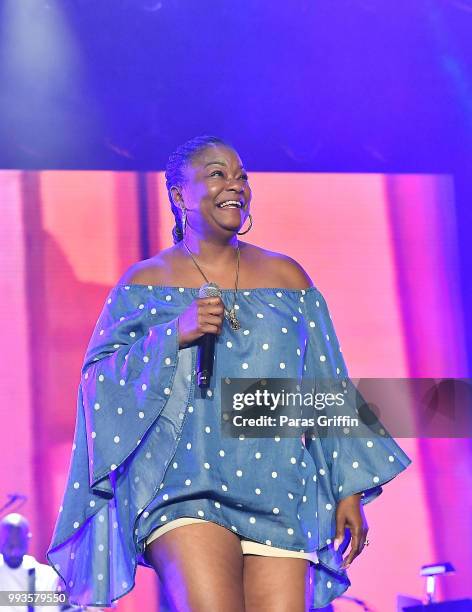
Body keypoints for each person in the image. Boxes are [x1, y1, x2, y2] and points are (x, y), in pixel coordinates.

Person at [47, 135, 412, 611]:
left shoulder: (288, 279)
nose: (235, 184)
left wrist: (348, 490)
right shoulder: (145, 284)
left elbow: (325, 385)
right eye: (217, 173)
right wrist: (173, 333)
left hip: (280, 488)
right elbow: (99, 385)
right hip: (183, 488)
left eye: (241, 175)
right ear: (179, 195)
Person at [0, 513, 63, 612]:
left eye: (19, 546)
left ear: (28, 540)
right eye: (10, 546)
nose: (14, 553)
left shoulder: (47, 576)